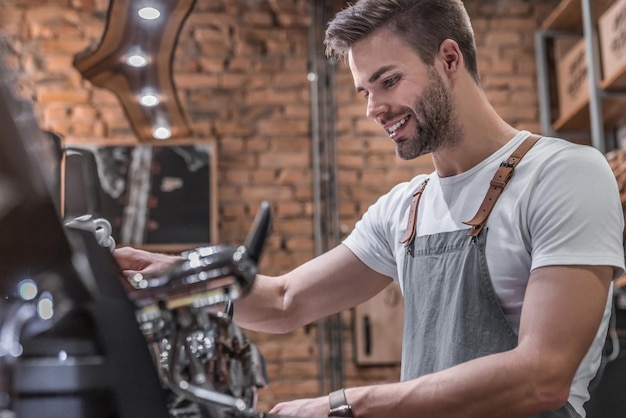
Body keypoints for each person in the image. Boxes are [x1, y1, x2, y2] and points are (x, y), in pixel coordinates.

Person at [114, 0, 625, 417]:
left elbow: (543, 376)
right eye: (364, 91)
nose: (372, 109)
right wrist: (173, 280)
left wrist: (344, 405)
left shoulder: (562, 174)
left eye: (388, 81)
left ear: (450, 59)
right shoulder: (406, 206)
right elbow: (285, 300)